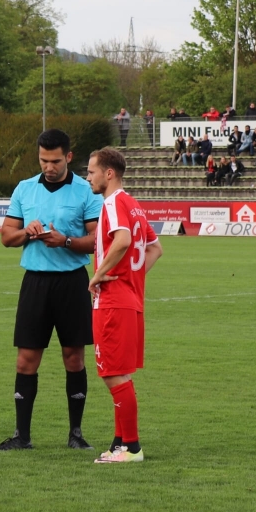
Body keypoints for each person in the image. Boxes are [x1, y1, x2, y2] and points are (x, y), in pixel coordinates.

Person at [0, 129, 101, 451]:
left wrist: (65, 241)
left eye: (55, 161)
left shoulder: (85, 191)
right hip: (35, 282)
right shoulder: (25, 188)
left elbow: (96, 240)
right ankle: (21, 436)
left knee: (74, 357)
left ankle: (76, 435)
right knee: (26, 360)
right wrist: (27, 232)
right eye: (43, 160)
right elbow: (6, 236)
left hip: (72, 282)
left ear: (68, 157)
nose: (49, 167)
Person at [85, 148, 162, 463]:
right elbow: (155, 249)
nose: (88, 177)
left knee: (114, 375)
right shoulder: (134, 205)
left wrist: (98, 276)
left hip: (113, 301)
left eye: (91, 171)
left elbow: (123, 240)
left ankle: (131, 447)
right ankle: (119, 444)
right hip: (130, 299)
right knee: (118, 374)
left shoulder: (113, 202)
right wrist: (131, 278)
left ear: (109, 173)